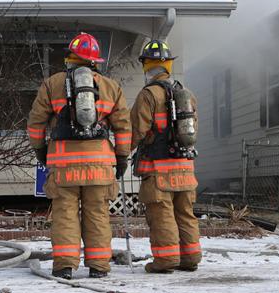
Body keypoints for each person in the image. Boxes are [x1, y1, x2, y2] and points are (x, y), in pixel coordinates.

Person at [27, 33, 131, 279]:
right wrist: (122, 157)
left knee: (64, 214)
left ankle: (64, 266)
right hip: (100, 166)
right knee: (97, 214)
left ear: (69, 58)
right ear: (96, 61)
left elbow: (35, 123)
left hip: (64, 168)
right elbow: (123, 127)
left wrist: (41, 150)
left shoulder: (52, 84)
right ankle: (98, 267)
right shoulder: (110, 87)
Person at [131, 39, 200, 273]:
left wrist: (122, 152)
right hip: (185, 167)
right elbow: (193, 131)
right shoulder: (186, 94)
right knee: (185, 213)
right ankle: (190, 258)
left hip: (159, 169)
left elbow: (137, 131)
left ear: (147, 66)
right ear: (168, 65)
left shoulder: (148, 95)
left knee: (162, 214)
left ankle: (166, 260)